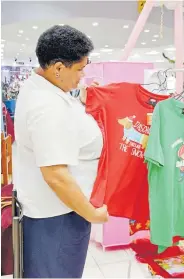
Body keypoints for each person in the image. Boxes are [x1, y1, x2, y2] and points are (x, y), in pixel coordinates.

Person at [14, 25, 108, 278]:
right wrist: (93, 214)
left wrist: (78, 100)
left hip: (58, 213)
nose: (82, 75)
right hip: (58, 216)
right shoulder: (47, 107)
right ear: (57, 68)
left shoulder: (43, 88)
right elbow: (55, 174)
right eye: (79, 69)